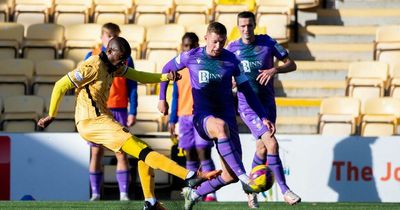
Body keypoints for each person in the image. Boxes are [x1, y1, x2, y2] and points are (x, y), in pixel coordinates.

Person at [37, 37, 221, 210]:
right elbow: (60, 85)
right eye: (121, 57)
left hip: (102, 119)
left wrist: (166, 77)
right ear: (109, 51)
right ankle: (190, 176)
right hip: (91, 121)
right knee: (143, 150)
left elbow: (139, 76)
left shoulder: (113, 66)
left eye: (125, 58)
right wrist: (52, 115)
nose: (123, 62)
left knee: (143, 153)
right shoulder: (92, 66)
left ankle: (150, 201)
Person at [158, 22, 275, 210]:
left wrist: (263, 116)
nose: (218, 47)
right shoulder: (191, 56)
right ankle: (246, 178)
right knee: (220, 128)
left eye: (222, 42)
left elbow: (247, 90)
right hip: (203, 117)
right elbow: (166, 69)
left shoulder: (232, 60)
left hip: (228, 120)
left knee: (230, 175)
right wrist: (162, 98)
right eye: (214, 42)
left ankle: (194, 193)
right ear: (206, 39)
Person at [226, 11, 301, 208]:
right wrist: (231, 82)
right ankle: (285, 191)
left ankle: (250, 192)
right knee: (272, 144)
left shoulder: (267, 43)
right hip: (247, 105)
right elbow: (225, 72)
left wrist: (274, 69)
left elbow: (292, 64)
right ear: (238, 27)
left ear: (254, 25)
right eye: (242, 26)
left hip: (267, 104)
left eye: (249, 25)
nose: (246, 29)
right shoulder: (232, 48)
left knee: (261, 148)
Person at [83, 22, 137, 202]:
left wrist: (132, 110)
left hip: (119, 109)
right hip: (98, 111)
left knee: (121, 151)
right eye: (110, 36)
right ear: (103, 38)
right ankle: (96, 194)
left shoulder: (126, 58)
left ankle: (123, 194)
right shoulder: (91, 57)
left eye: (116, 36)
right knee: (96, 152)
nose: (113, 39)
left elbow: (132, 86)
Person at [169, 32, 217, 202]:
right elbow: (175, 95)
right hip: (183, 117)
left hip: (202, 115)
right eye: (185, 46)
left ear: (198, 45)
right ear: (182, 47)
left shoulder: (204, 64)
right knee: (189, 154)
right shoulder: (179, 69)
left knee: (203, 152)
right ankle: (193, 189)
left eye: (191, 45)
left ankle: (211, 192)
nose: (188, 49)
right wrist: (171, 120)